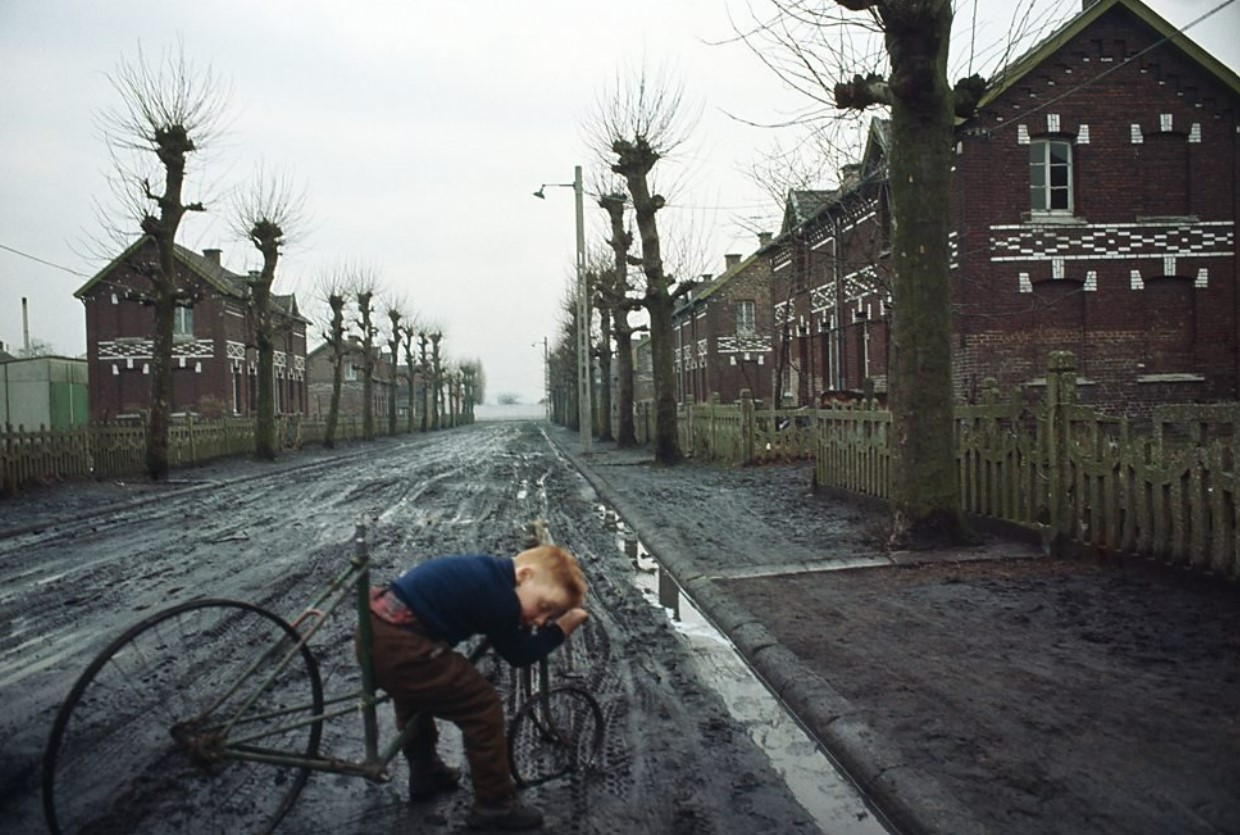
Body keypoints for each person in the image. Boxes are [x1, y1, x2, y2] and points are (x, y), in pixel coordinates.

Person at [364, 543, 589, 831]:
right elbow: (518, 654)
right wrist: (561, 627)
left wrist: (539, 618)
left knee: (414, 691)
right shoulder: (501, 598)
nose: (541, 619)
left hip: (378, 631)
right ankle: (495, 806)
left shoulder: (487, 573)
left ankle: (425, 770)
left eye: (550, 616)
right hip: (403, 646)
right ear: (524, 575)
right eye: (544, 606)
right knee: (482, 707)